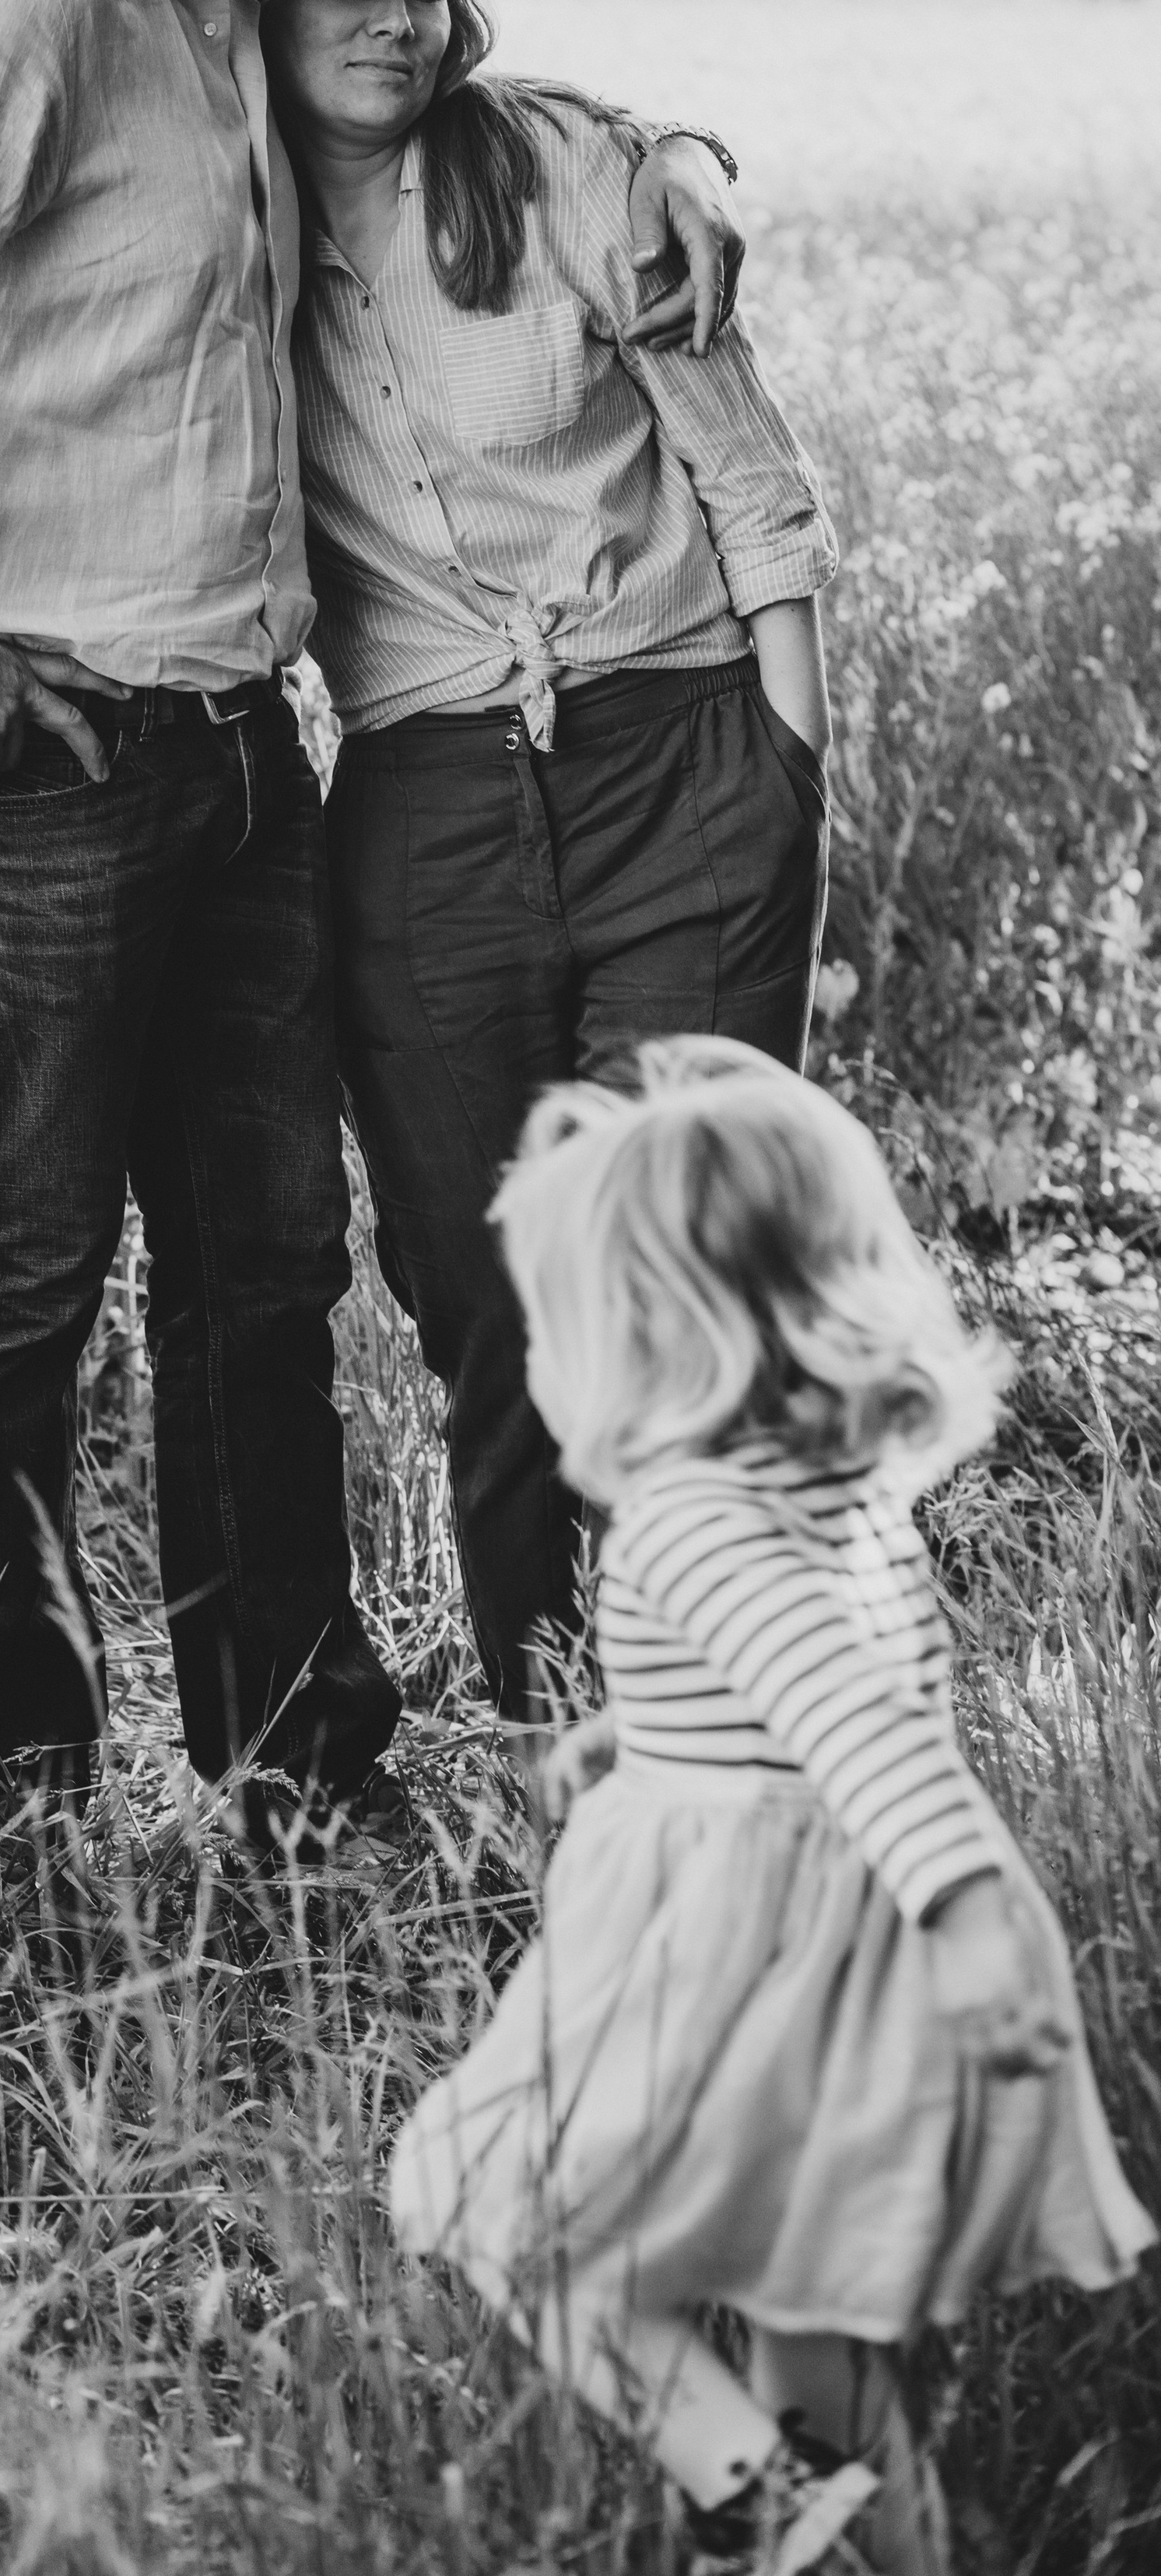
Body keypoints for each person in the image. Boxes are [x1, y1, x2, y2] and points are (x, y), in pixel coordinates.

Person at [0, 0, 742, 1836]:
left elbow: (486, 130)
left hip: (236, 747)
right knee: (17, 1280)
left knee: (261, 1261)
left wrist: (670, 152)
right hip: (37, 762)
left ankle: (294, 1756)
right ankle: (10, 1781)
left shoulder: (237, 16)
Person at [389, 1041, 1154, 2572]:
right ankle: (883, 2541)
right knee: (819, 2340)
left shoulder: (682, 1517)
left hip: (754, 1962)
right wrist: (645, 1735)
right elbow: (800, 1685)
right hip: (860, 1966)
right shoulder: (833, 1489)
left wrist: (975, 1914)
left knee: (490, 2204)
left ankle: (757, 2498)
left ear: (641, 1331)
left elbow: (859, 1730)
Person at [261, 0, 833, 1729]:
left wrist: (786, 763)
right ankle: (546, 1723)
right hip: (424, 810)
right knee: (488, 1304)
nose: (391, 22)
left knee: (691, 1268)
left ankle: (734, 1710)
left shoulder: (562, 176)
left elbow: (750, 481)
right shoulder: (219, 225)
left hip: (680, 763)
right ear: (261, 10)